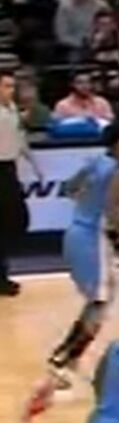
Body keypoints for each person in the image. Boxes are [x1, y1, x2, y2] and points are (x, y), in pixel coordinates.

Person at [24, 124, 119, 421]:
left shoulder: (95, 162)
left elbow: (68, 189)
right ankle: (62, 360)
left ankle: (66, 357)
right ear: (117, 143)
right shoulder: (118, 173)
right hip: (92, 239)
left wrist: (88, 202)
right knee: (100, 303)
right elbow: (113, 214)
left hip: (74, 232)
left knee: (100, 301)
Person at [0, 70, 42, 298]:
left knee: (15, 220)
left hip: (9, 168)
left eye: (12, 86)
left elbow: (19, 139)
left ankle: (2, 273)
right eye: (6, 86)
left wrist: (34, 164)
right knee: (7, 221)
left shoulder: (12, 109)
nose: (10, 91)